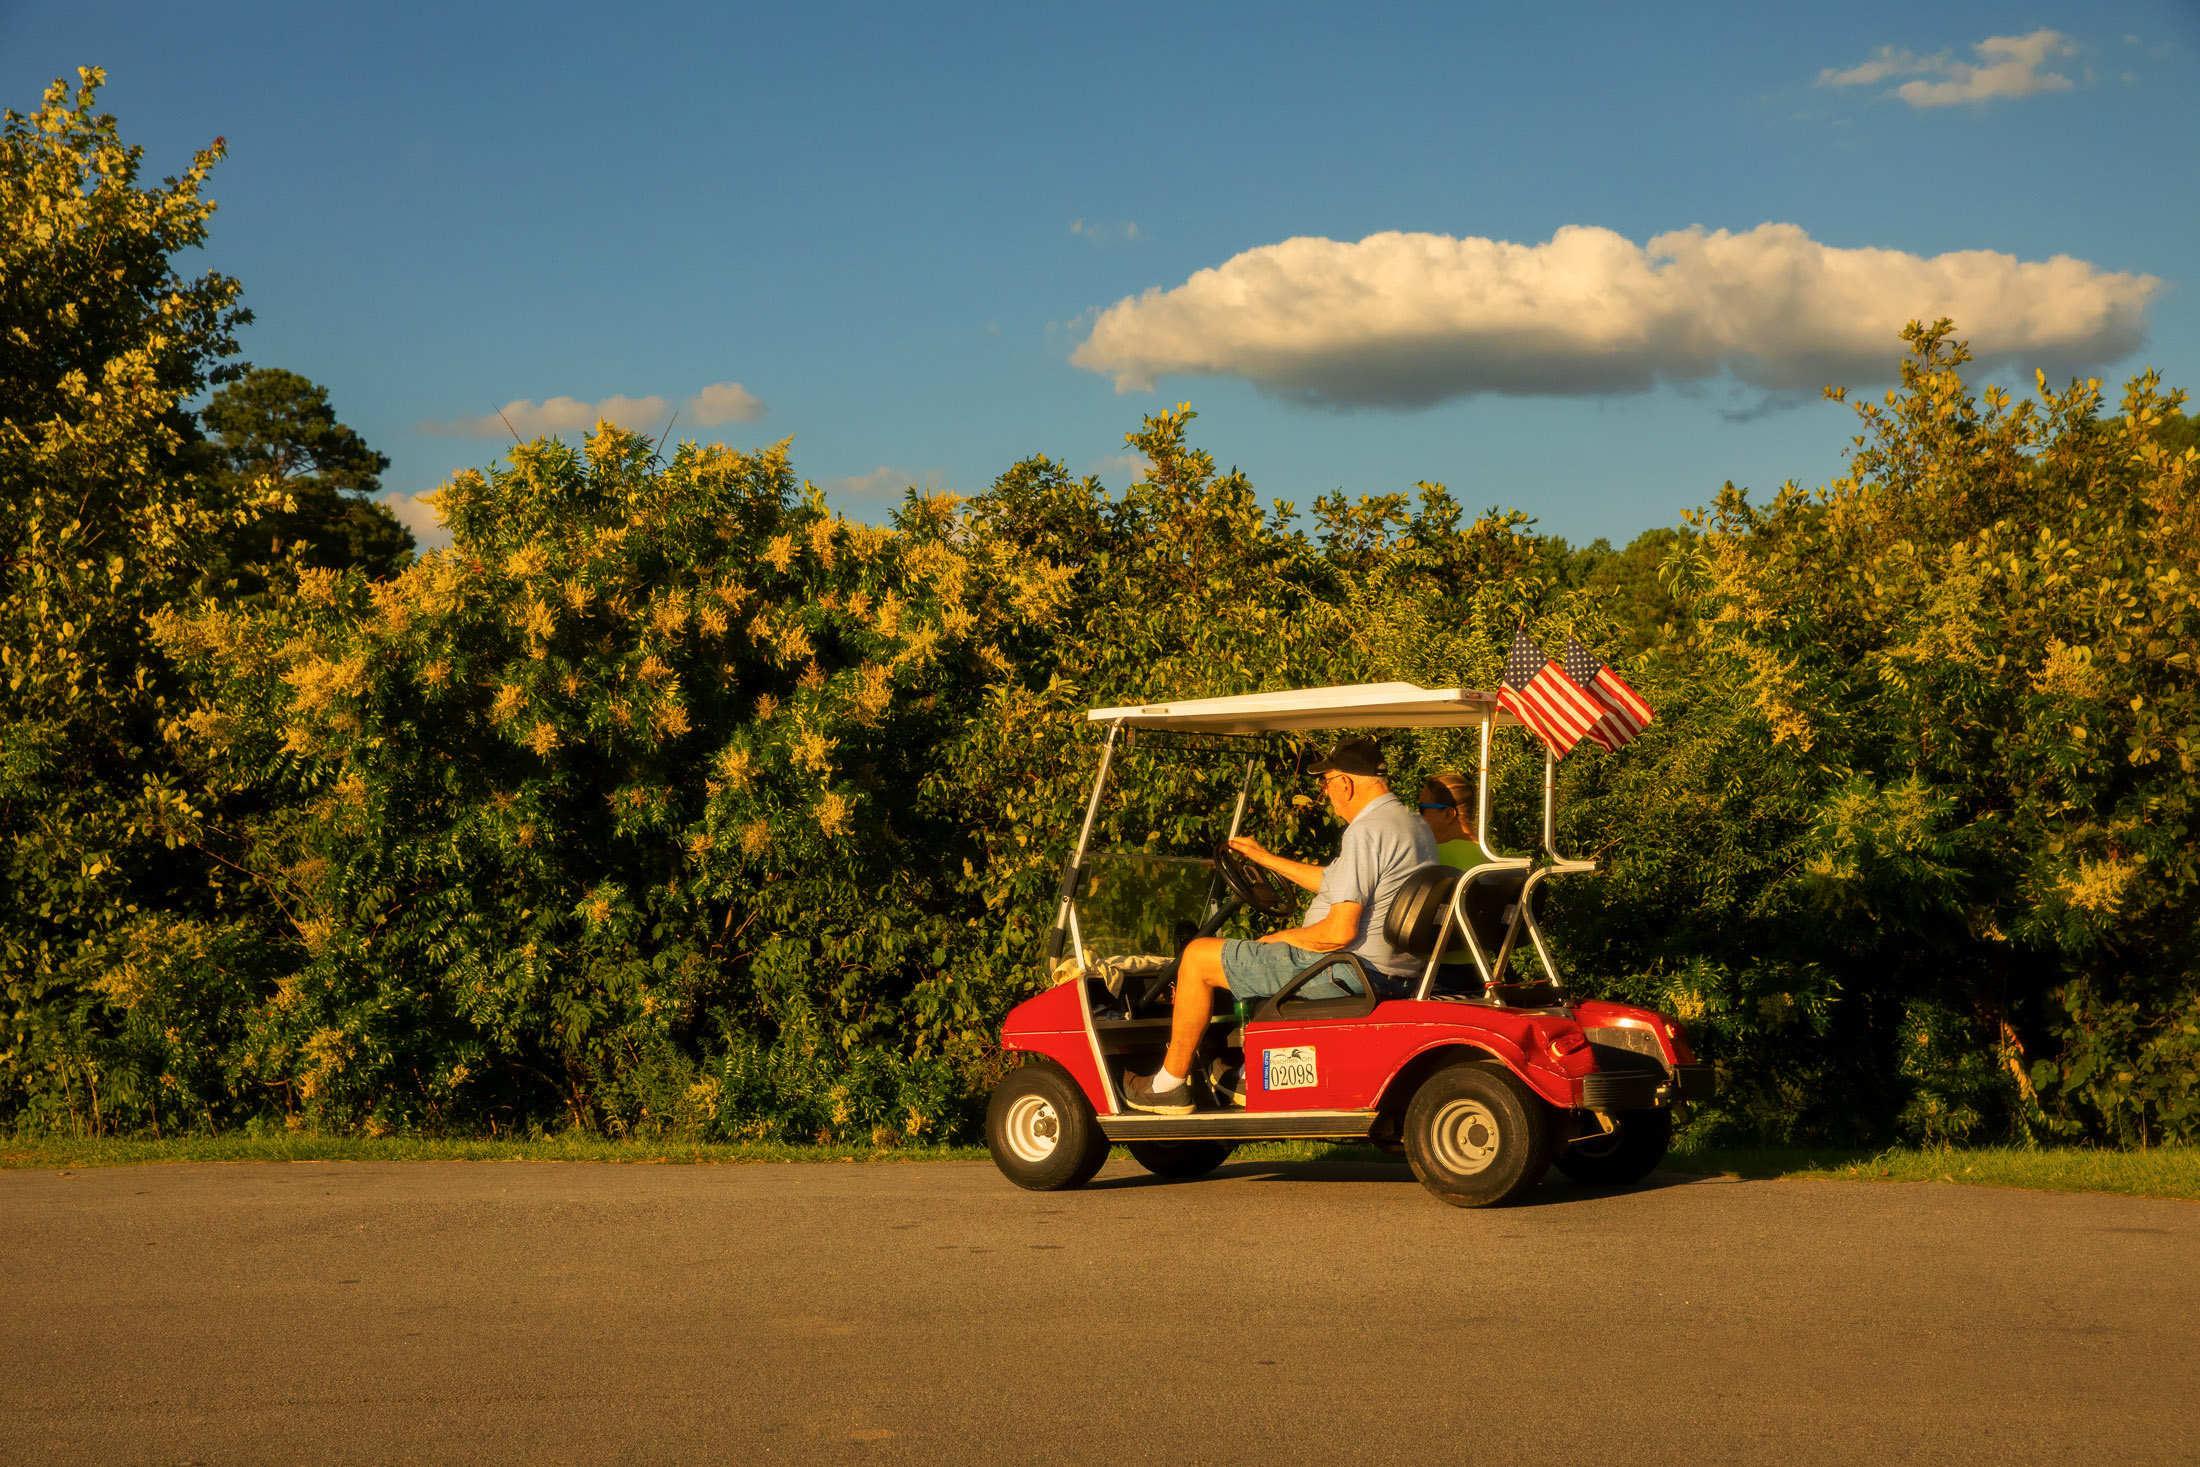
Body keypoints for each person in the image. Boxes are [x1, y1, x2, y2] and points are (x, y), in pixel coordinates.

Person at [1124, 737, 1437, 1115]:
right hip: (1391, 971)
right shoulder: (1410, 824)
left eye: (1325, 784)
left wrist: (1284, 937)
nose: (1327, 794)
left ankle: (1167, 1085)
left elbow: (1339, 933)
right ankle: (1247, 1076)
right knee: (1257, 957)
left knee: (1196, 956)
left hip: (1350, 970)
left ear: (1344, 783)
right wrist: (1265, 859)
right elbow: (1332, 881)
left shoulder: (1365, 831)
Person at [1418, 771, 1492, 993]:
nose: (1418, 817)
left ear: (1449, 814)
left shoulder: (1435, 856)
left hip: (1438, 972)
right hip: (1481, 972)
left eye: (1422, 810)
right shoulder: (1489, 855)